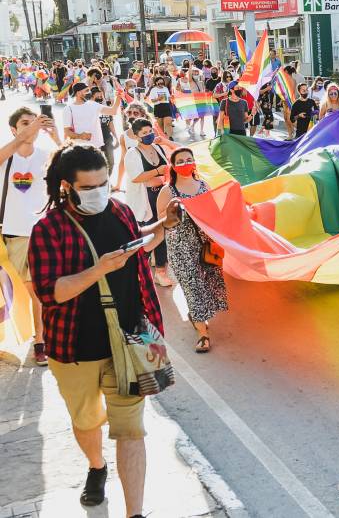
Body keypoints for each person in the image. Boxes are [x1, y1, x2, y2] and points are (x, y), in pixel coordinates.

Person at [29, 142, 180, 517]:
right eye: (88, 186)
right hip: (74, 347)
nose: (98, 192)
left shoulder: (121, 210)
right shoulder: (47, 229)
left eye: (103, 183)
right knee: (86, 421)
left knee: (131, 431)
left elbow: (137, 244)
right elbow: (50, 292)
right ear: (66, 186)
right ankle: (97, 467)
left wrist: (163, 225)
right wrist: (99, 270)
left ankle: (135, 513)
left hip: (130, 340)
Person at [1, 107, 60, 365]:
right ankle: (37, 336)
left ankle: (41, 340)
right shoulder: (7, 158)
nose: (33, 126)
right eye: (26, 123)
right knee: (28, 290)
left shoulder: (47, 156)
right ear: (14, 129)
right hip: (13, 234)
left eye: (35, 121)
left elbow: (77, 163)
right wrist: (26, 133)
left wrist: (55, 135)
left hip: (44, 232)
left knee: (38, 288)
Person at [156, 148, 228, 353]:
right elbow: (161, 219)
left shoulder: (204, 185)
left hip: (205, 245)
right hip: (181, 247)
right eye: (181, 160)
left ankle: (198, 314)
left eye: (189, 159)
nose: (186, 163)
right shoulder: (167, 192)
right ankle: (202, 332)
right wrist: (174, 210)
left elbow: (216, 212)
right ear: (173, 166)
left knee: (208, 282)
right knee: (192, 286)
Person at [124, 120, 172, 287]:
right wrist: (157, 173)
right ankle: (137, 269)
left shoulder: (158, 148)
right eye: (143, 133)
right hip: (146, 200)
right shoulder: (132, 154)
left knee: (162, 232)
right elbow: (136, 177)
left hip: (162, 197)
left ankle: (160, 271)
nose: (148, 135)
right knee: (149, 235)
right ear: (136, 136)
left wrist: (157, 179)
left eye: (149, 131)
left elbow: (169, 166)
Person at [63, 82, 121, 151]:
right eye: (87, 91)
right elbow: (67, 132)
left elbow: (113, 111)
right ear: (78, 93)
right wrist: (80, 136)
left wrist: (118, 97)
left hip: (96, 147)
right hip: (79, 148)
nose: (89, 92)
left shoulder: (93, 104)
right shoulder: (68, 109)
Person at [115, 104, 151, 193]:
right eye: (129, 113)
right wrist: (118, 184)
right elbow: (123, 160)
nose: (131, 116)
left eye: (135, 113)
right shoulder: (124, 136)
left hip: (150, 176)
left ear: (142, 116)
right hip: (134, 177)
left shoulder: (151, 133)